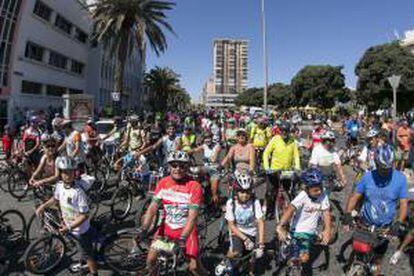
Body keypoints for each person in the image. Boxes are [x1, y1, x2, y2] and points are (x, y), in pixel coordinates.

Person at [343, 145, 408, 276]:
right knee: (357, 251)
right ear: (376, 163)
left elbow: (403, 204)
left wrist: (399, 222)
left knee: (377, 263)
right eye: (382, 168)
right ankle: (349, 267)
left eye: (388, 168)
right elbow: (355, 196)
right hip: (365, 224)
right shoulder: (367, 177)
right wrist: (347, 214)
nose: (385, 172)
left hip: (385, 228)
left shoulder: (400, 179)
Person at [139, 151, 206, 275]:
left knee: (194, 267)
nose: (178, 169)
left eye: (182, 166)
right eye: (174, 165)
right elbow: (152, 207)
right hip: (167, 230)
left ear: (187, 167)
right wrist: (144, 229)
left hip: (187, 232)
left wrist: (183, 238)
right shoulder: (163, 183)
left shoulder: (194, 186)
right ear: (169, 167)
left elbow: (192, 217)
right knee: (150, 261)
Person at [35, 157, 97, 275]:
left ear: (75, 173)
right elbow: (55, 199)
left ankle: (94, 272)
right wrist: (43, 206)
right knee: (80, 248)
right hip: (70, 226)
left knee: (89, 255)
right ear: (60, 173)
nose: (67, 175)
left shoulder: (78, 192)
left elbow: (84, 216)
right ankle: (82, 263)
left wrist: (69, 227)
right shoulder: (59, 186)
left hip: (80, 230)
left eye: (70, 172)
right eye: (64, 172)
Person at [276, 168, 332, 265]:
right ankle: (291, 257)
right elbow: (290, 209)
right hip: (299, 231)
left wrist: (327, 230)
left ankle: (288, 250)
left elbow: (326, 212)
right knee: (304, 258)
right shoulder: (303, 196)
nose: (319, 192)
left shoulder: (323, 196)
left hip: (311, 232)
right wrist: (280, 225)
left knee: (300, 252)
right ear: (307, 188)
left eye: (320, 188)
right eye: (315, 190)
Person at [218, 172, 265, 275]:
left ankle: (250, 272)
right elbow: (231, 225)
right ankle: (225, 262)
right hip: (237, 231)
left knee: (251, 255)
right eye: (242, 192)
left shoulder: (255, 202)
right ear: (236, 191)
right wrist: (245, 239)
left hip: (251, 232)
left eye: (247, 192)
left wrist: (261, 243)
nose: (245, 195)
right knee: (237, 252)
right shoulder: (231, 203)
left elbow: (261, 222)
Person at [263, 122, 301, 220]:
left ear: (289, 132)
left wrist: (297, 167)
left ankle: (289, 210)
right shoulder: (275, 139)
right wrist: (267, 168)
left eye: (286, 131)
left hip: (286, 171)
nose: (284, 133)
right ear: (280, 131)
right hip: (274, 171)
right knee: (270, 192)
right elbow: (266, 153)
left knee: (288, 191)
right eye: (282, 131)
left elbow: (296, 155)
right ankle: (269, 211)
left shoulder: (293, 141)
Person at [188, 132, 222, 204]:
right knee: (195, 173)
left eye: (209, 138)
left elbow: (214, 159)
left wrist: (210, 159)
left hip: (214, 169)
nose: (208, 140)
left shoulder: (217, 146)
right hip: (206, 168)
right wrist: (186, 152)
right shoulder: (204, 146)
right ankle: (197, 193)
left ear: (212, 138)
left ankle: (216, 206)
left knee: (214, 191)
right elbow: (195, 150)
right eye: (206, 138)